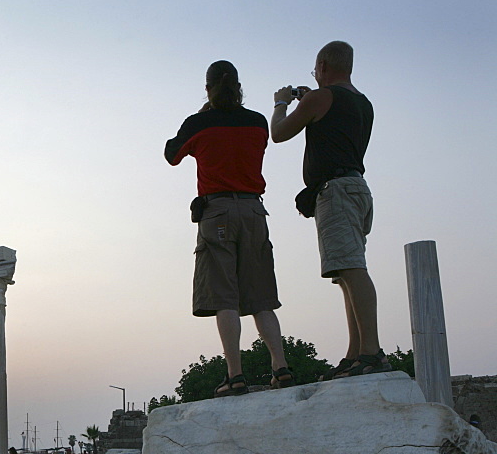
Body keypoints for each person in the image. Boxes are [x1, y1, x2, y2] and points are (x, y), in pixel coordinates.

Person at [165, 60, 294, 398]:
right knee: (261, 297)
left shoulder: (199, 123)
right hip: (253, 210)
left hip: (217, 212)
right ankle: (280, 367)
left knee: (225, 297)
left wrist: (204, 112)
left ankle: (235, 374)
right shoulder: (256, 122)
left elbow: (171, 153)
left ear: (208, 88)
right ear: (239, 87)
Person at [271, 41, 388, 378]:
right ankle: (356, 354)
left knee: (351, 269)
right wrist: (312, 99)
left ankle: (372, 352)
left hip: (336, 193)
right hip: (357, 189)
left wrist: (281, 103)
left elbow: (279, 133)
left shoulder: (320, 98)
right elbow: (333, 129)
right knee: (345, 273)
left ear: (322, 65)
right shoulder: (363, 103)